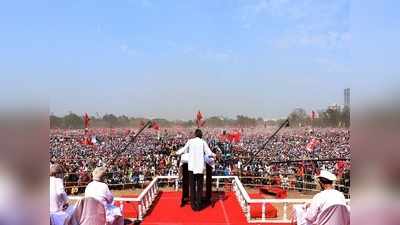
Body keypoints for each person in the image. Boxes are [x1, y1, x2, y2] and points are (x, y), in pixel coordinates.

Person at [179, 129, 215, 211]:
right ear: (201, 135)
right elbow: (209, 153)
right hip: (200, 168)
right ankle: (199, 206)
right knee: (199, 187)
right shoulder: (203, 142)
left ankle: (193, 205)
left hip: (191, 167)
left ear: (195, 134)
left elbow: (184, 149)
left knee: (192, 187)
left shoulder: (190, 141)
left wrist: (176, 152)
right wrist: (214, 155)